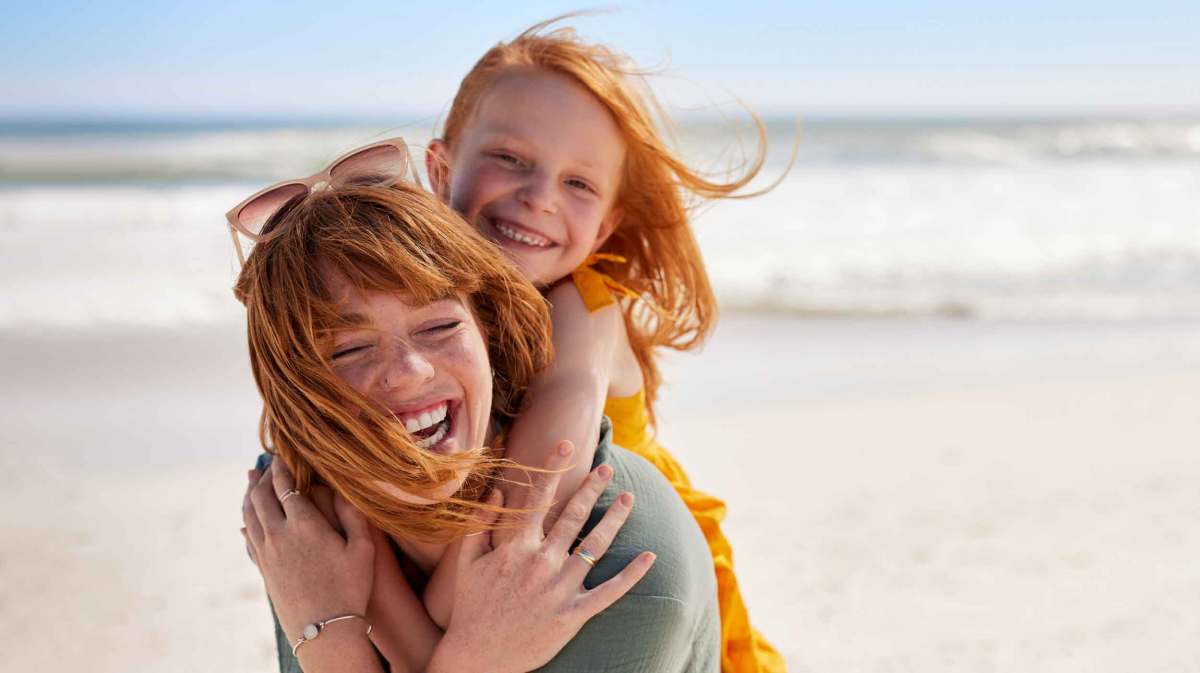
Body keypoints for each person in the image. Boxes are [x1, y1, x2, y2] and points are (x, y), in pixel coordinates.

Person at [231, 177, 720, 672]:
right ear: (294, 392)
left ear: (487, 333)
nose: (410, 371)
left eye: (439, 326)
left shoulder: (621, 563)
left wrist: (329, 642)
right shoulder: (303, 538)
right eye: (350, 349)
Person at [420, 18, 785, 672]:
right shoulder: (422, 305)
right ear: (440, 166)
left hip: (660, 598)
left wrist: (431, 613)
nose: (538, 198)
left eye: (579, 183)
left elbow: (542, 478)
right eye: (510, 158)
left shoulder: (585, 304)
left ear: (607, 224)